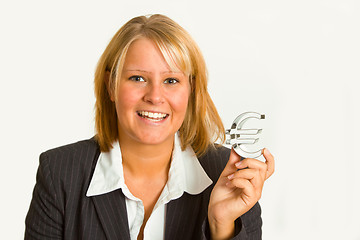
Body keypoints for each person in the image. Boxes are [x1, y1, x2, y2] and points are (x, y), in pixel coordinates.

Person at [25, 14, 274, 240]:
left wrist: (221, 226)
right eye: (138, 78)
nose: (155, 96)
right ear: (111, 86)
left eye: (171, 80)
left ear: (191, 91)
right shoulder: (59, 172)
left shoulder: (228, 174)